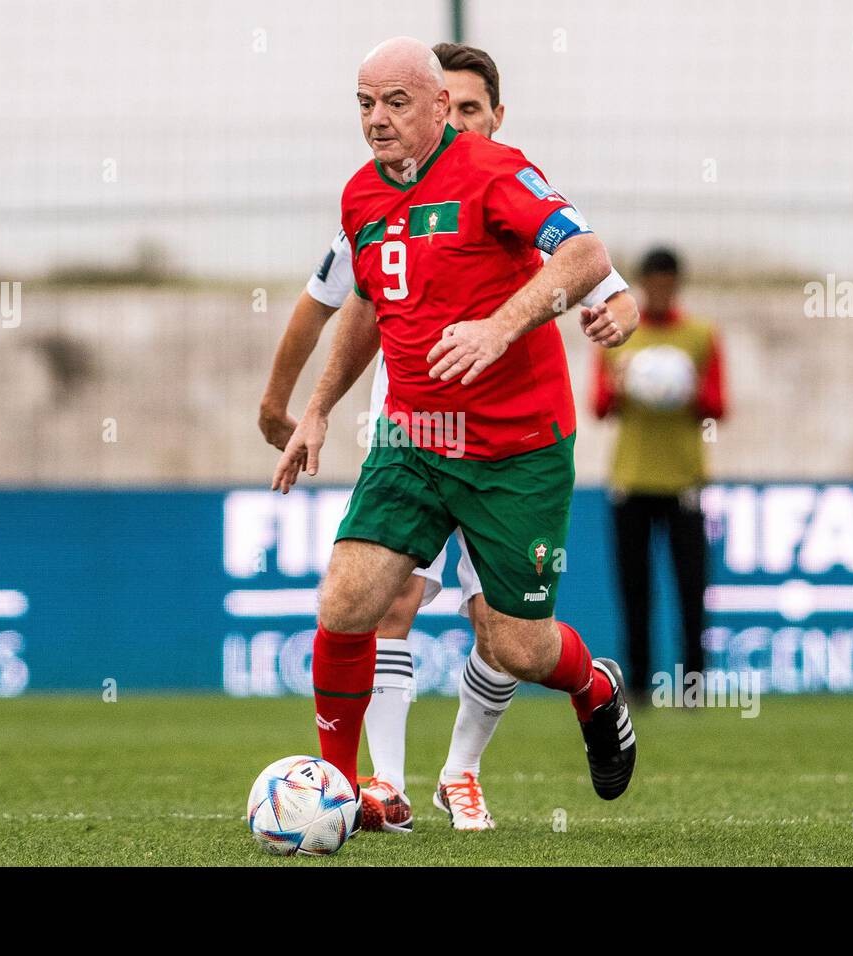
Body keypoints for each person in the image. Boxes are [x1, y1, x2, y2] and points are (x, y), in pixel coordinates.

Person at [259, 42, 637, 831]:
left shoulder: (494, 171)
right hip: (413, 442)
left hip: (516, 448)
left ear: (439, 106)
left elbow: (584, 253)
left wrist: (502, 327)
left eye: (396, 102)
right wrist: (321, 406)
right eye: (365, 104)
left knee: (517, 648)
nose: (377, 120)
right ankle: (339, 792)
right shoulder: (361, 196)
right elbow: (365, 304)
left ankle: (593, 687)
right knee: (347, 602)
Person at [591, 247, 727, 704]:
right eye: (654, 282)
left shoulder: (701, 335)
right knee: (635, 590)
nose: (661, 290)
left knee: (691, 588)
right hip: (630, 479)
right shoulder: (619, 335)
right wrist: (624, 383)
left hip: (685, 480)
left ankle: (693, 686)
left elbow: (717, 407)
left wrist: (684, 387)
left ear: (677, 284)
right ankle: (641, 685)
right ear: (644, 284)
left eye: (669, 282)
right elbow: (599, 406)